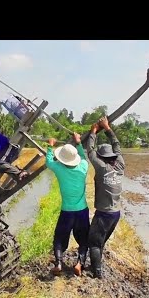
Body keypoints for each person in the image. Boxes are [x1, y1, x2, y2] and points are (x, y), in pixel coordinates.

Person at [86, 116, 125, 279]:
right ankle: (97, 265)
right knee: (100, 241)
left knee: (93, 243)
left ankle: (97, 272)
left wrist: (93, 131)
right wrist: (107, 128)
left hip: (103, 214)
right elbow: (117, 145)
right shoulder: (121, 164)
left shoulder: (101, 167)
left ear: (102, 157)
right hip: (116, 214)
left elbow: (90, 150)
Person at [46, 132, 89, 276]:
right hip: (82, 211)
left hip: (67, 211)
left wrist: (50, 146)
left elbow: (49, 162)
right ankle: (79, 263)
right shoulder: (83, 166)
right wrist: (79, 142)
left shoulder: (59, 168)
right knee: (84, 238)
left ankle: (58, 263)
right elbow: (83, 157)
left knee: (59, 237)